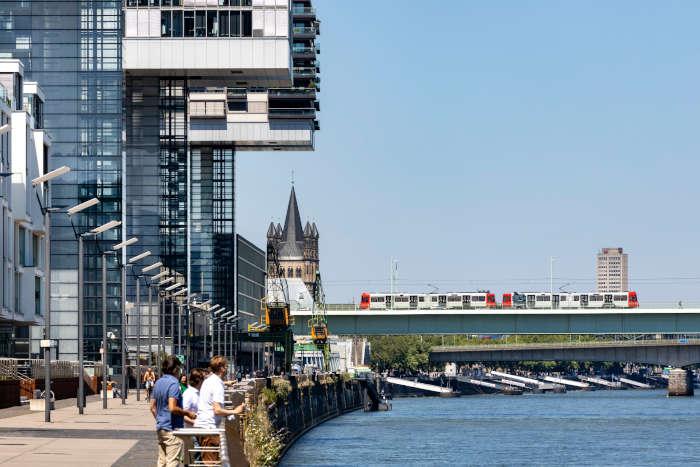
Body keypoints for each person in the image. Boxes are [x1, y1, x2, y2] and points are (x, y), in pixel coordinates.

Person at [195, 356, 245, 464]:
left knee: (207, 460)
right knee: (211, 463)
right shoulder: (217, 384)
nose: (227, 368)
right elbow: (217, 410)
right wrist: (235, 411)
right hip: (209, 428)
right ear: (221, 368)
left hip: (203, 426)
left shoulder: (209, 380)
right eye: (226, 366)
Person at [150, 355, 197, 467]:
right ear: (176, 369)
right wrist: (188, 413)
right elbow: (172, 407)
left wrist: (160, 419)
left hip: (161, 427)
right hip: (172, 429)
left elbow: (152, 407)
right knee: (172, 462)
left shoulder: (158, 382)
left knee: (162, 462)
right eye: (179, 369)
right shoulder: (174, 384)